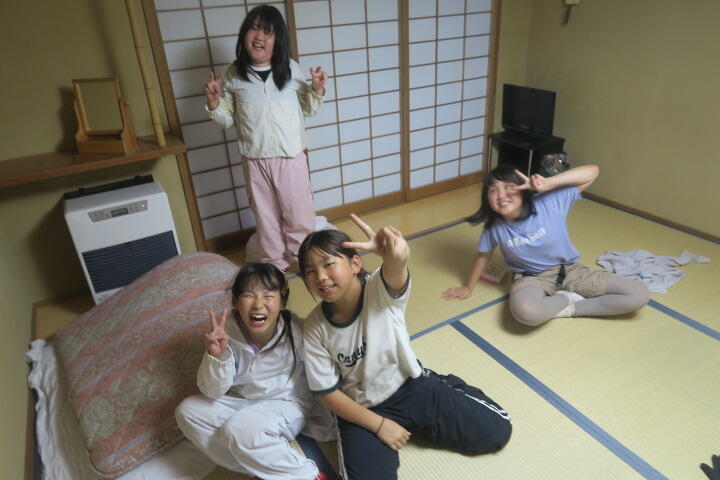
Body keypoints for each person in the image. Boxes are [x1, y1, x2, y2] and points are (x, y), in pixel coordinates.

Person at [298, 214, 512, 480]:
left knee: (496, 431)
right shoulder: (314, 326)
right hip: (365, 409)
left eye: (329, 264)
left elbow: (396, 269)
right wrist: (380, 425)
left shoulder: (378, 288)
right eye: (310, 271)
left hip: (411, 386)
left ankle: (443, 385)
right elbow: (329, 393)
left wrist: (395, 256)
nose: (320, 277)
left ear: (354, 263)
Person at [175, 263, 331, 480]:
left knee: (240, 429)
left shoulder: (296, 330)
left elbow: (326, 367)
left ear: (282, 302)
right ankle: (262, 469)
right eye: (249, 295)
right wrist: (218, 356)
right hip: (242, 401)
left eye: (268, 296)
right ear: (235, 302)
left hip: (285, 402)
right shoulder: (226, 333)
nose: (258, 304)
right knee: (188, 411)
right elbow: (212, 391)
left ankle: (307, 475)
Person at [442, 165, 650, 326]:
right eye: (493, 190)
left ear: (524, 190)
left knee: (638, 294)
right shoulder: (494, 226)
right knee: (526, 313)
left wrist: (549, 183)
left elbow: (592, 171)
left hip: (570, 270)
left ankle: (571, 306)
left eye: (509, 187)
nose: (501, 195)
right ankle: (565, 299)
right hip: (531, 278)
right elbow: (483, 256)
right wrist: (468, 287)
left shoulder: (549, 202)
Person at [204, 5, 328, 272]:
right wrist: (214, 102)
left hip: (290, 156)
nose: (259, 36)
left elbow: (308, 108)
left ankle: (302, 259)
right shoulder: (234, 74)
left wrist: (317, 89)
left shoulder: (290, 69)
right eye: (254, 28)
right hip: (255, 159)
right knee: (266, 217)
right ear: (244, 35)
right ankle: (274, 264)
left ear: (278, 40)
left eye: (268, 32)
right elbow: (228, 118)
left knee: (299, 212)